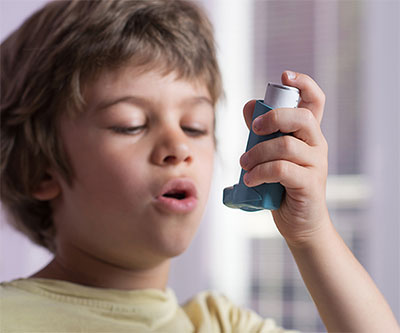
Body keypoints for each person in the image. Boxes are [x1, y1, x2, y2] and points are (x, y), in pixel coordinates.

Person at [0, 0, 398, 332]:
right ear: (40, 169)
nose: (178, 147)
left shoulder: (222, 325)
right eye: (131, 125)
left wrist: (311, 234)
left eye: (195, 126)